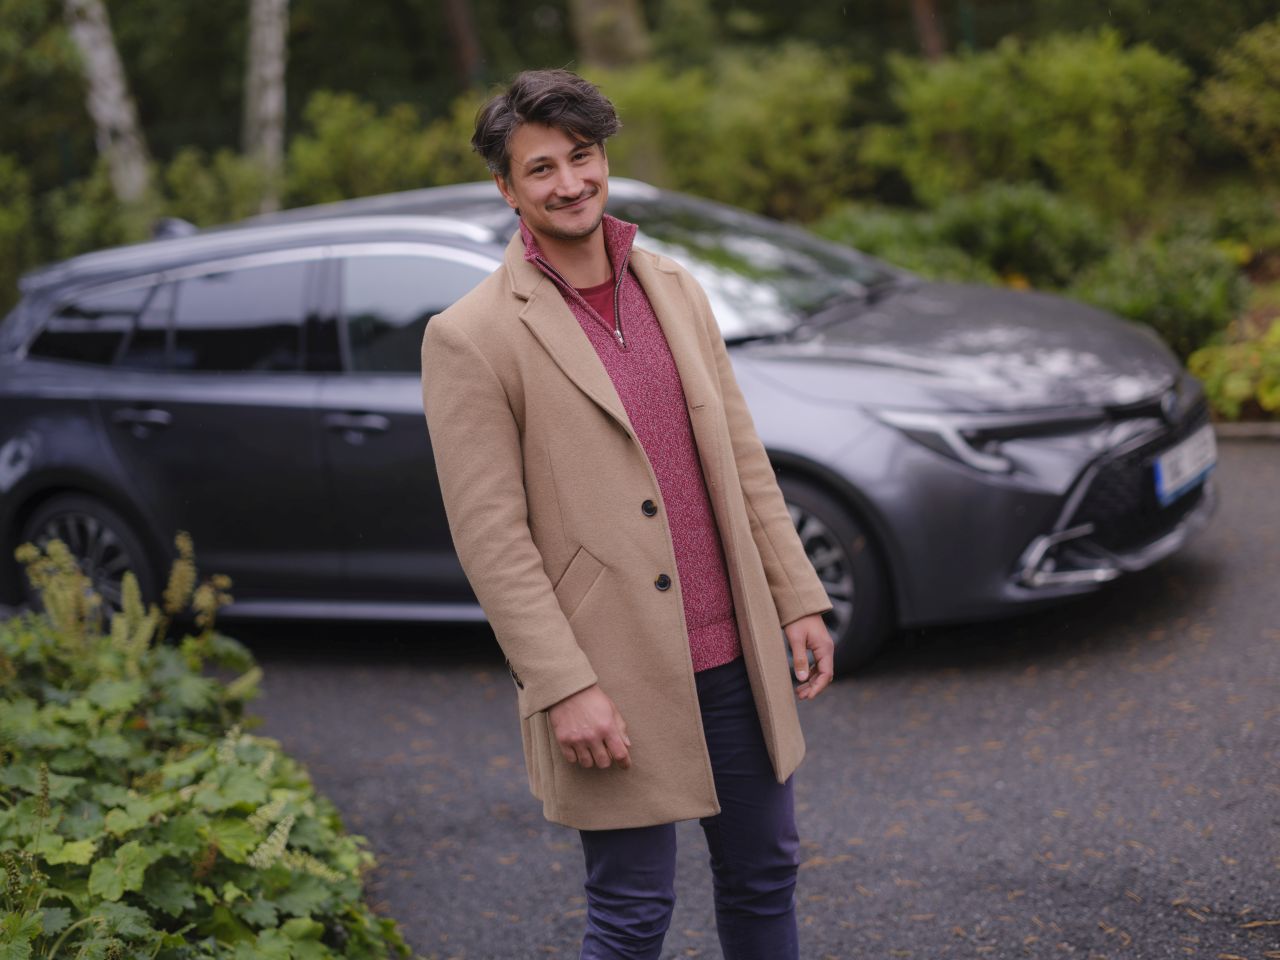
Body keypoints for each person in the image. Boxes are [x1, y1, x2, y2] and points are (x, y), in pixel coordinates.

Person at [420, 68, 835, 960]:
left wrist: (796, 593)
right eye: (541, 168)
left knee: (765, 877)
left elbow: (741, 456)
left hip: (734, 654)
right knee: (632, 913)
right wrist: (562, 686)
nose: (569, 182)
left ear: (605, 159)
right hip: (608, 672)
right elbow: (492, 542)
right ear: (506, 188)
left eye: (582, 156)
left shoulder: (673, 286)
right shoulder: (470, 336)